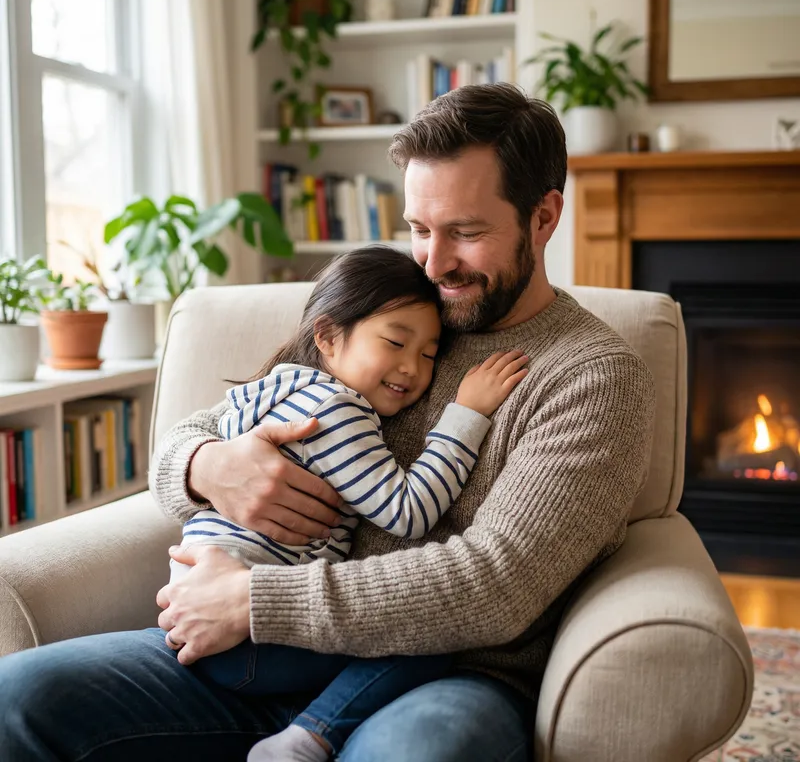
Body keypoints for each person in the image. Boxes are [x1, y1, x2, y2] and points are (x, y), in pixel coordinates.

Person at [0, 82, 656, 762]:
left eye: (465, 233)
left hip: (437, 675)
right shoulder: (394, 312)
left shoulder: (591, 377)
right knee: (18, 696)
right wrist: (209, 468)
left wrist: (254, 599)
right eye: (419, 229)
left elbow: (494, 586)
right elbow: (195, 434)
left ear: (544, 217)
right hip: (255, 650)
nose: (434, 264)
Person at [171, 245, 528, 762]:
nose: (411, 367)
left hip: (207, 623)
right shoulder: (335, 411)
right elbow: (408, 511)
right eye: (395, 342)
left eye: (429, 354)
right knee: (431, 633)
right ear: (327, 336)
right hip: (244, 635)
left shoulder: (279, 388)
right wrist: (466, 415)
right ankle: (310, 736)